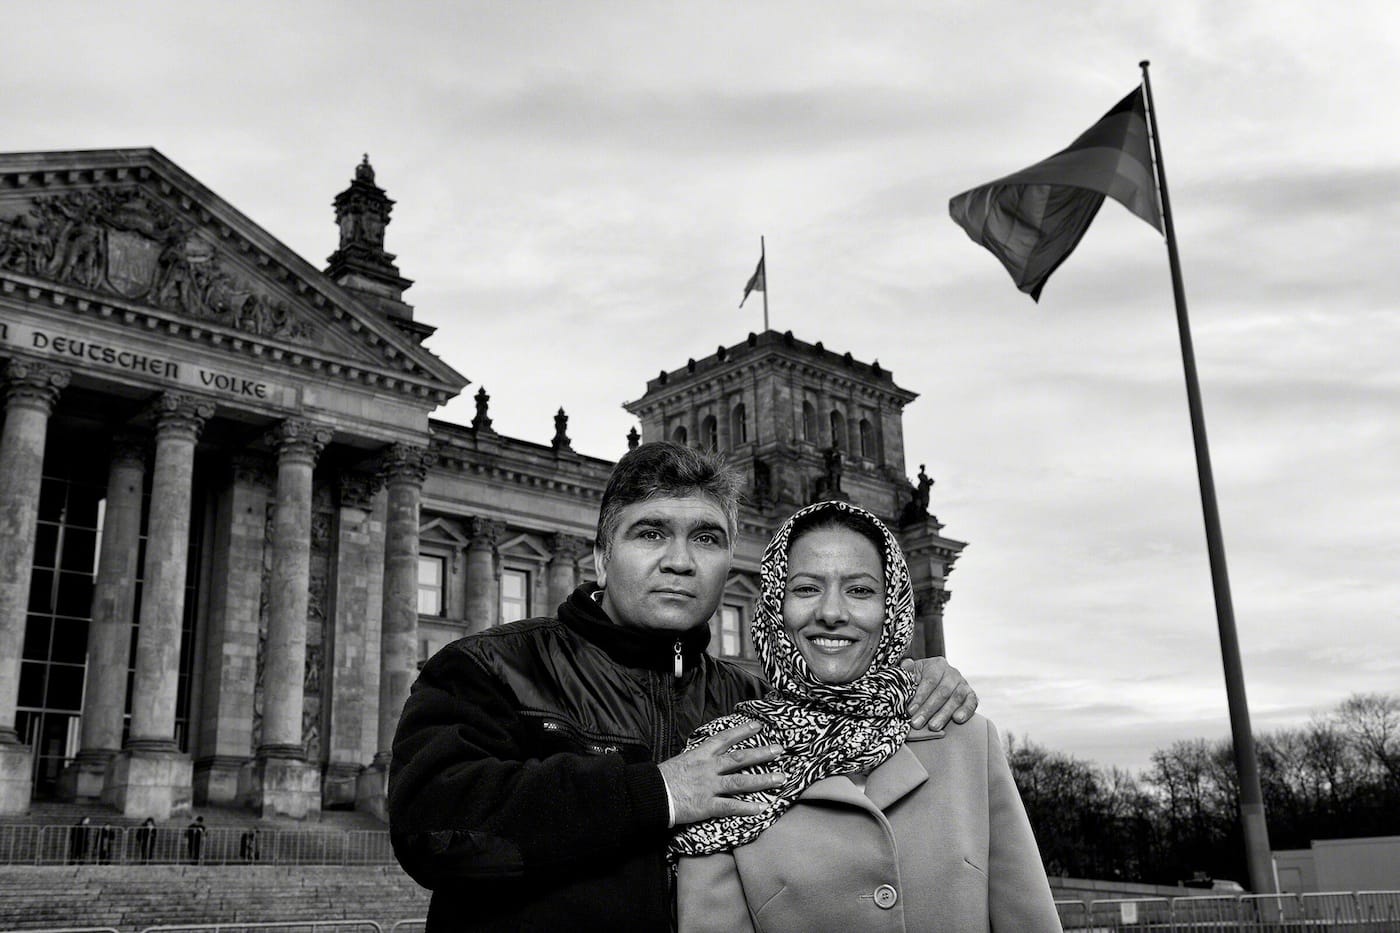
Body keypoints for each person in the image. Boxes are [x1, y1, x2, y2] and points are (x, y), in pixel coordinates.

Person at [389, 442, 979, 932]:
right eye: (651, 534)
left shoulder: (761, 706)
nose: (680, 561)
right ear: (601, 558)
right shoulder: (489, 667)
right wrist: (660, 792)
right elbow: (431, 830)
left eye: (707, 538)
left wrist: (912, 680)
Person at [674, 500, 1061, 932]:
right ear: (774, 608)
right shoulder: (724, 762)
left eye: (859, 591)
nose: (832, 613)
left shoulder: (967, 740)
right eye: (806, 589)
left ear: (891, 608)